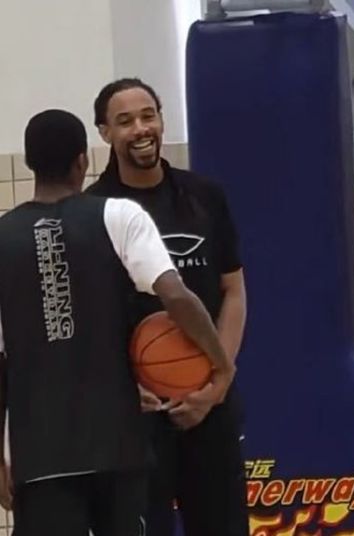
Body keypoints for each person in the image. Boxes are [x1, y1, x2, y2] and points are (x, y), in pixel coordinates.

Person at [0, 110, 235, 536]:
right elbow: (176, 297)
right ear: (83, 160)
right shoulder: (120, 216)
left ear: (29, 164)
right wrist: (221, 365)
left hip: (40, 455)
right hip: (118, 448)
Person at [87, 78, 249, 535]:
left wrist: (218, 380)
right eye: (125, 121)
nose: (141, 129)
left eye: (148, 116)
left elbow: (234, 291)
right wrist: (121, 387)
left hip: (209, 405)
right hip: (136, 415)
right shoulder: (93, 210)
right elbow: (89, 317)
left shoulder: (204, 195)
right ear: (104, 133)